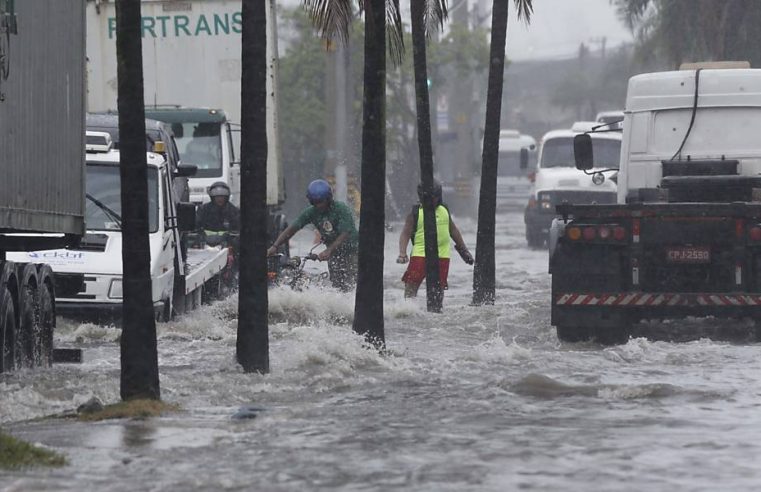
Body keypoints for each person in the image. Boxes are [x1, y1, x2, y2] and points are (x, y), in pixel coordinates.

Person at [267, 179, 359, 291]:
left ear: (329, 199)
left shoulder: (341, 209)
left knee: (352, 283)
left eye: (321, 202)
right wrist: (275, 246)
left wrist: (329, 250)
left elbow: (345, 233)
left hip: (353, 252)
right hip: (335, 254)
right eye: (314, 202)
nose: (318, 205)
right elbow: (291, 230)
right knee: (338, 286)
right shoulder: (311, 212)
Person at [397, 180, 474, 298]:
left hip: (442, 255)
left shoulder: (444, 209)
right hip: (420, 253)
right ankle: (408, 309)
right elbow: (405, 233)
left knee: (438, 289)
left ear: (438, 196)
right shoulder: (416, 212)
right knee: (411, 284)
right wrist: (402, 253)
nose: (432, 201)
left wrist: (463, 250)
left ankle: (436, 312)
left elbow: (453, 230)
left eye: (434, 197)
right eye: (429, 198)